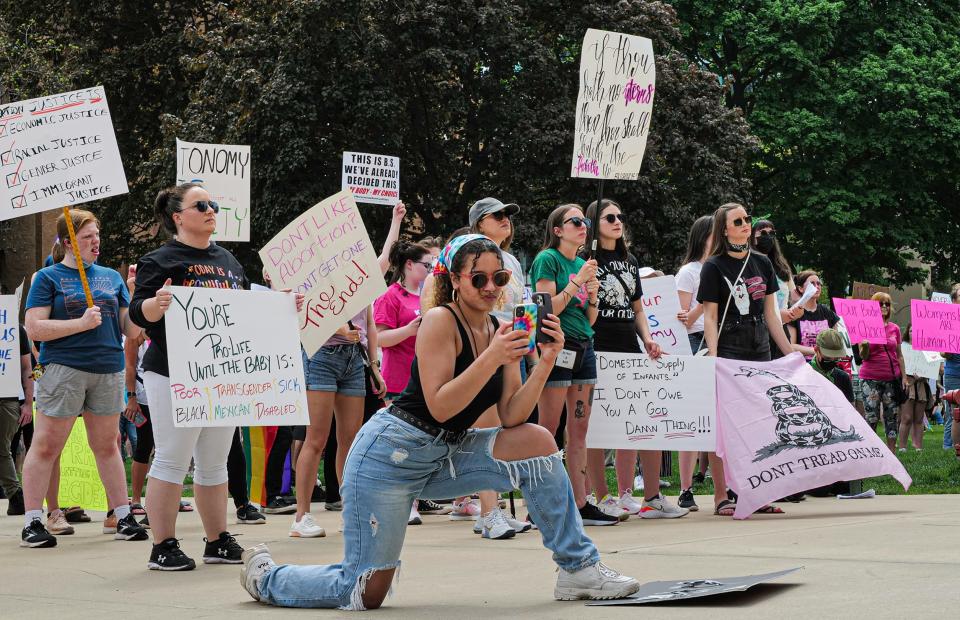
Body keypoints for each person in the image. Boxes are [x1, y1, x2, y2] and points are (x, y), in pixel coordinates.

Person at [239, 234, 641, 608]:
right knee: (363, 591)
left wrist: (546, 360)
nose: (489, 286)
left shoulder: (498, 328)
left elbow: (512, 415)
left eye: (498, 277)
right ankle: (268, 578)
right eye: (478, 278)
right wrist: (495, 356)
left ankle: (577, 567)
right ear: (454, 280)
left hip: (447, 452)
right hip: (387, 460)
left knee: (535, 438)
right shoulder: (439, 321)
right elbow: (440, 406)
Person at [130, 183, 271, 570]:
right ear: (178, 217)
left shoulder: (228, 260)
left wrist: (280, 306)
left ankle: (217, 540)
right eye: (202, 205)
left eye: (213, 205)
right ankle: (163, 545)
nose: (212, 210)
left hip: (219, 373)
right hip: (173, 373)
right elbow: (137, 316)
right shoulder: (159, 259)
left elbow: (245, 311)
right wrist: (155, 304)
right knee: (172, 459)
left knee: (214, 463)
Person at [21, 208, 148, 547]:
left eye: (97, 236)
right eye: (87, 237)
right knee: (47, 445)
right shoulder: (47, 278)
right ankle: (34, 521)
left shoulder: (111, 277)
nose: (96, 243)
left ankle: (122, 515)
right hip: (63, 369)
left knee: (107, 445)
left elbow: (131, 330)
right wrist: (79, 324)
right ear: (67, 242)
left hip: (108, 368)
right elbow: (34, 327)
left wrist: (136, 296)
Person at [582, 199, 687, 521]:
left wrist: (648, 339)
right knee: (599, 427)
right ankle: (601, 496)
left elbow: (638, 308)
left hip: (629, 344)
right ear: (593, 224)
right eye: (609, 217)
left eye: (620, 216)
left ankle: (642, 495)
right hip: (598, 344)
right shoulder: (587, 260)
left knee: (638, 422)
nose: (617, 221)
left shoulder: (630, 262)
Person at [698, 203, 793, 516]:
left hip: (759, 344)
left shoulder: (763, 263)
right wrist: (713, 356)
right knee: (724, 425)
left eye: (747, 219)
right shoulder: (713, 266)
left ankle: (755, 491)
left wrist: (790, 355)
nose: (745, 224)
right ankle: (721, 495)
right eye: (737, 221)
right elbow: (710, 317)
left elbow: (771, 313)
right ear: (724, 229)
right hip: (729, 346)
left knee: (759, 422)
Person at [530, 204, 615, 526]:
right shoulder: (547, 260)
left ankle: (581, 502)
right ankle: (541, 500)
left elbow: (589, 317)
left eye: (585, 221)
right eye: (575, 221)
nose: (583, 226)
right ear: (557, 229)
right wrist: (578, 282)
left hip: (584, 346)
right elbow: (546, 307)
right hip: (556, 346)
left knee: (579, 429)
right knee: (547, 429)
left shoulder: (582, 264)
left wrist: (593, 296)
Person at [292, 305, 385, 538]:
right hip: (321, 353)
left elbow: (370, 322)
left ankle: (350, 513)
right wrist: (340, 329)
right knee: (316, 439)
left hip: (355, 358)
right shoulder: (316, 271)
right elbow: (308, 314)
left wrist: (374, 366)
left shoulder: (358, 271)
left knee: (350, 442)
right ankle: (301, 517)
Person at [675, 214, 713, 512]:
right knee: (691, 420)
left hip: (719, 342)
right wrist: (708, 300)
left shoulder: (721, 268)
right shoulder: (689, 272)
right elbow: (683, 317)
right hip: (694, 344)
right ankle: (685, 487)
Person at [856, 292, 905, 451]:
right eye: (880, 303)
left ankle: (891, 452)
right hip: (870, 378)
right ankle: (872, 452)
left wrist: (904, 377)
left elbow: (899, 355)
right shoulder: (864, 327)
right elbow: (864, 357)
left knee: (892, 416)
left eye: (887, 304)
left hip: (892, 378)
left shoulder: (895, 329)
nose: (884, 306)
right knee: (872, 417)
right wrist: (864, 345)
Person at [0, 322, 32, 516]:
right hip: (16, 400)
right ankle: (15, 495)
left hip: (11, 399)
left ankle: (16, 495)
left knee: (6, 449)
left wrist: (29, 402)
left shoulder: (15, 328)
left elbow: (29, 367)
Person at [786, 270, 839, 359]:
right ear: (800, 288)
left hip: (825, 364)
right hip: (802, 365)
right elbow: (791, 346)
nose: (817, 287)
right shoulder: (794, 312)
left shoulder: (827, 312)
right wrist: (816, 351)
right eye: (812, 284)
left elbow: (835, 342)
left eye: (818, 284)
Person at [899, 324, 929, 451]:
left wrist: (924, 374)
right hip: (908, 384)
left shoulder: (926, 349)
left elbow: (930, 367)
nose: (913, 333)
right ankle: (902, 447)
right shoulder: (902, 348)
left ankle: (918, 447)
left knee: (919, 418)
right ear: (907, 332)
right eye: (911, 330)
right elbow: (899, 364)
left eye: (916, 331)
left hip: (921, 385)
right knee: (906, 417)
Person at [809, 329, 855, 402]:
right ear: (816, 350)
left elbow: (851, 409)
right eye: (827, 357)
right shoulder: (804, 374)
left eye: (836, 358)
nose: (832, 361)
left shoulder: (843, 377)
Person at [941, 285, 960, 451]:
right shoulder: (948, 322)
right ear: (954, 300)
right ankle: (949, 446)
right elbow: (943, 353)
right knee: (953, 412)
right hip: (954, 373)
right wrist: (947, 350)